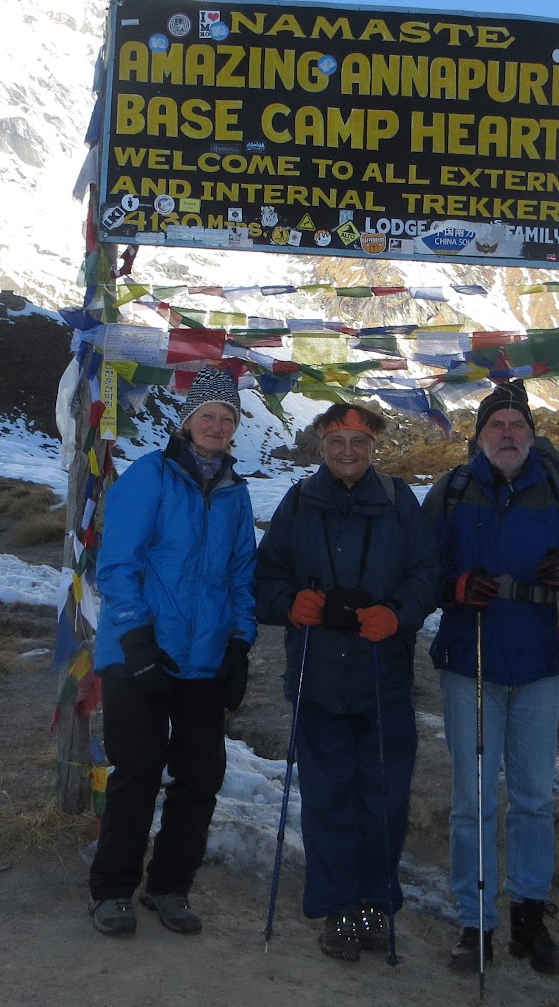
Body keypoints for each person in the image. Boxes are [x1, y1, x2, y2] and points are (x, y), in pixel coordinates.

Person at [254, 403, 441, 964]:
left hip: (384, 677)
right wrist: (290, 604)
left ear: (374, 446)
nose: (348, 451)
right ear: (321, 445)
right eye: (337, 441)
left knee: (385, 799)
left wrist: (399, 614)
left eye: (359, 441)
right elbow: (266, 576)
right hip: (317, 676)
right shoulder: (298, 502)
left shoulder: (400, 501)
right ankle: (339, 907)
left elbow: (427, 573)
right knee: (327, 799)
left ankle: (375, 904)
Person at [423, 379, 559, 976]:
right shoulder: (452, 490)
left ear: (530, 434)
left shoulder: (557, 490)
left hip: (540, 661)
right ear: (479, 437)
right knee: (471, 799)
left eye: (516, 425)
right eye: (496, 425)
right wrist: (452, 587)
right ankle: (475, 922)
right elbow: (419, 568)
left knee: (532, 797)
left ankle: (529, 915)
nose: (507, 434)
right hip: (468, 661)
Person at [88, 367, 257, 939]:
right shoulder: (150, 476)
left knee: (200, 775)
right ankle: (112, 889)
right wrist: (136, 641)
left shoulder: (236, 492)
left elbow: (242, 576)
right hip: (138, 651)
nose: (217, 425)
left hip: (204, 658)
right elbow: (117, 564)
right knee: (137, 769)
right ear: (187, 421)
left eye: (227, 418)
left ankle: (169, 884)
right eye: (208, 415)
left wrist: (240, 643)